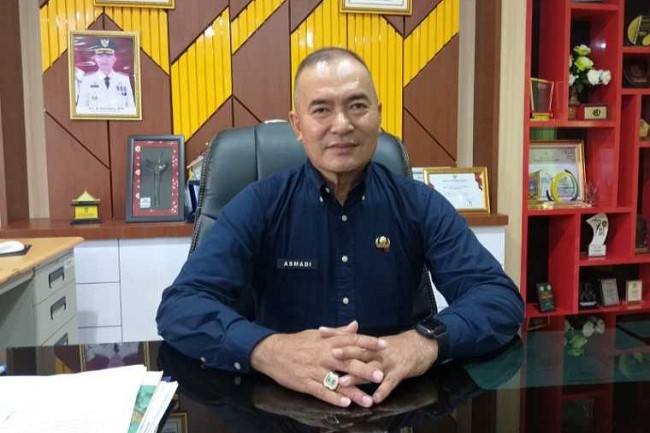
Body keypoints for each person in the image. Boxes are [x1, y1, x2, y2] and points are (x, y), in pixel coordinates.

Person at [157, 47, 523, 409]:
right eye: (321, 109)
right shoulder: (259, 204)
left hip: (393, 403)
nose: (342, 124)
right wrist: (268, 349)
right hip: (280, 407)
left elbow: (498, 298)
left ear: (378, 115)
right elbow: (181, 307)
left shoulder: (418, 204)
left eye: (357, 105)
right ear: (297, 125)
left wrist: (424, 341)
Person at [75, 38, 136, 115]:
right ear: (95, 58)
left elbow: (131, 111)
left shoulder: (124, 80)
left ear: (114, 58)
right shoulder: (87, 81)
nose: (105, 59)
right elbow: (81, 111)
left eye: (109, 55)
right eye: (100, 55)